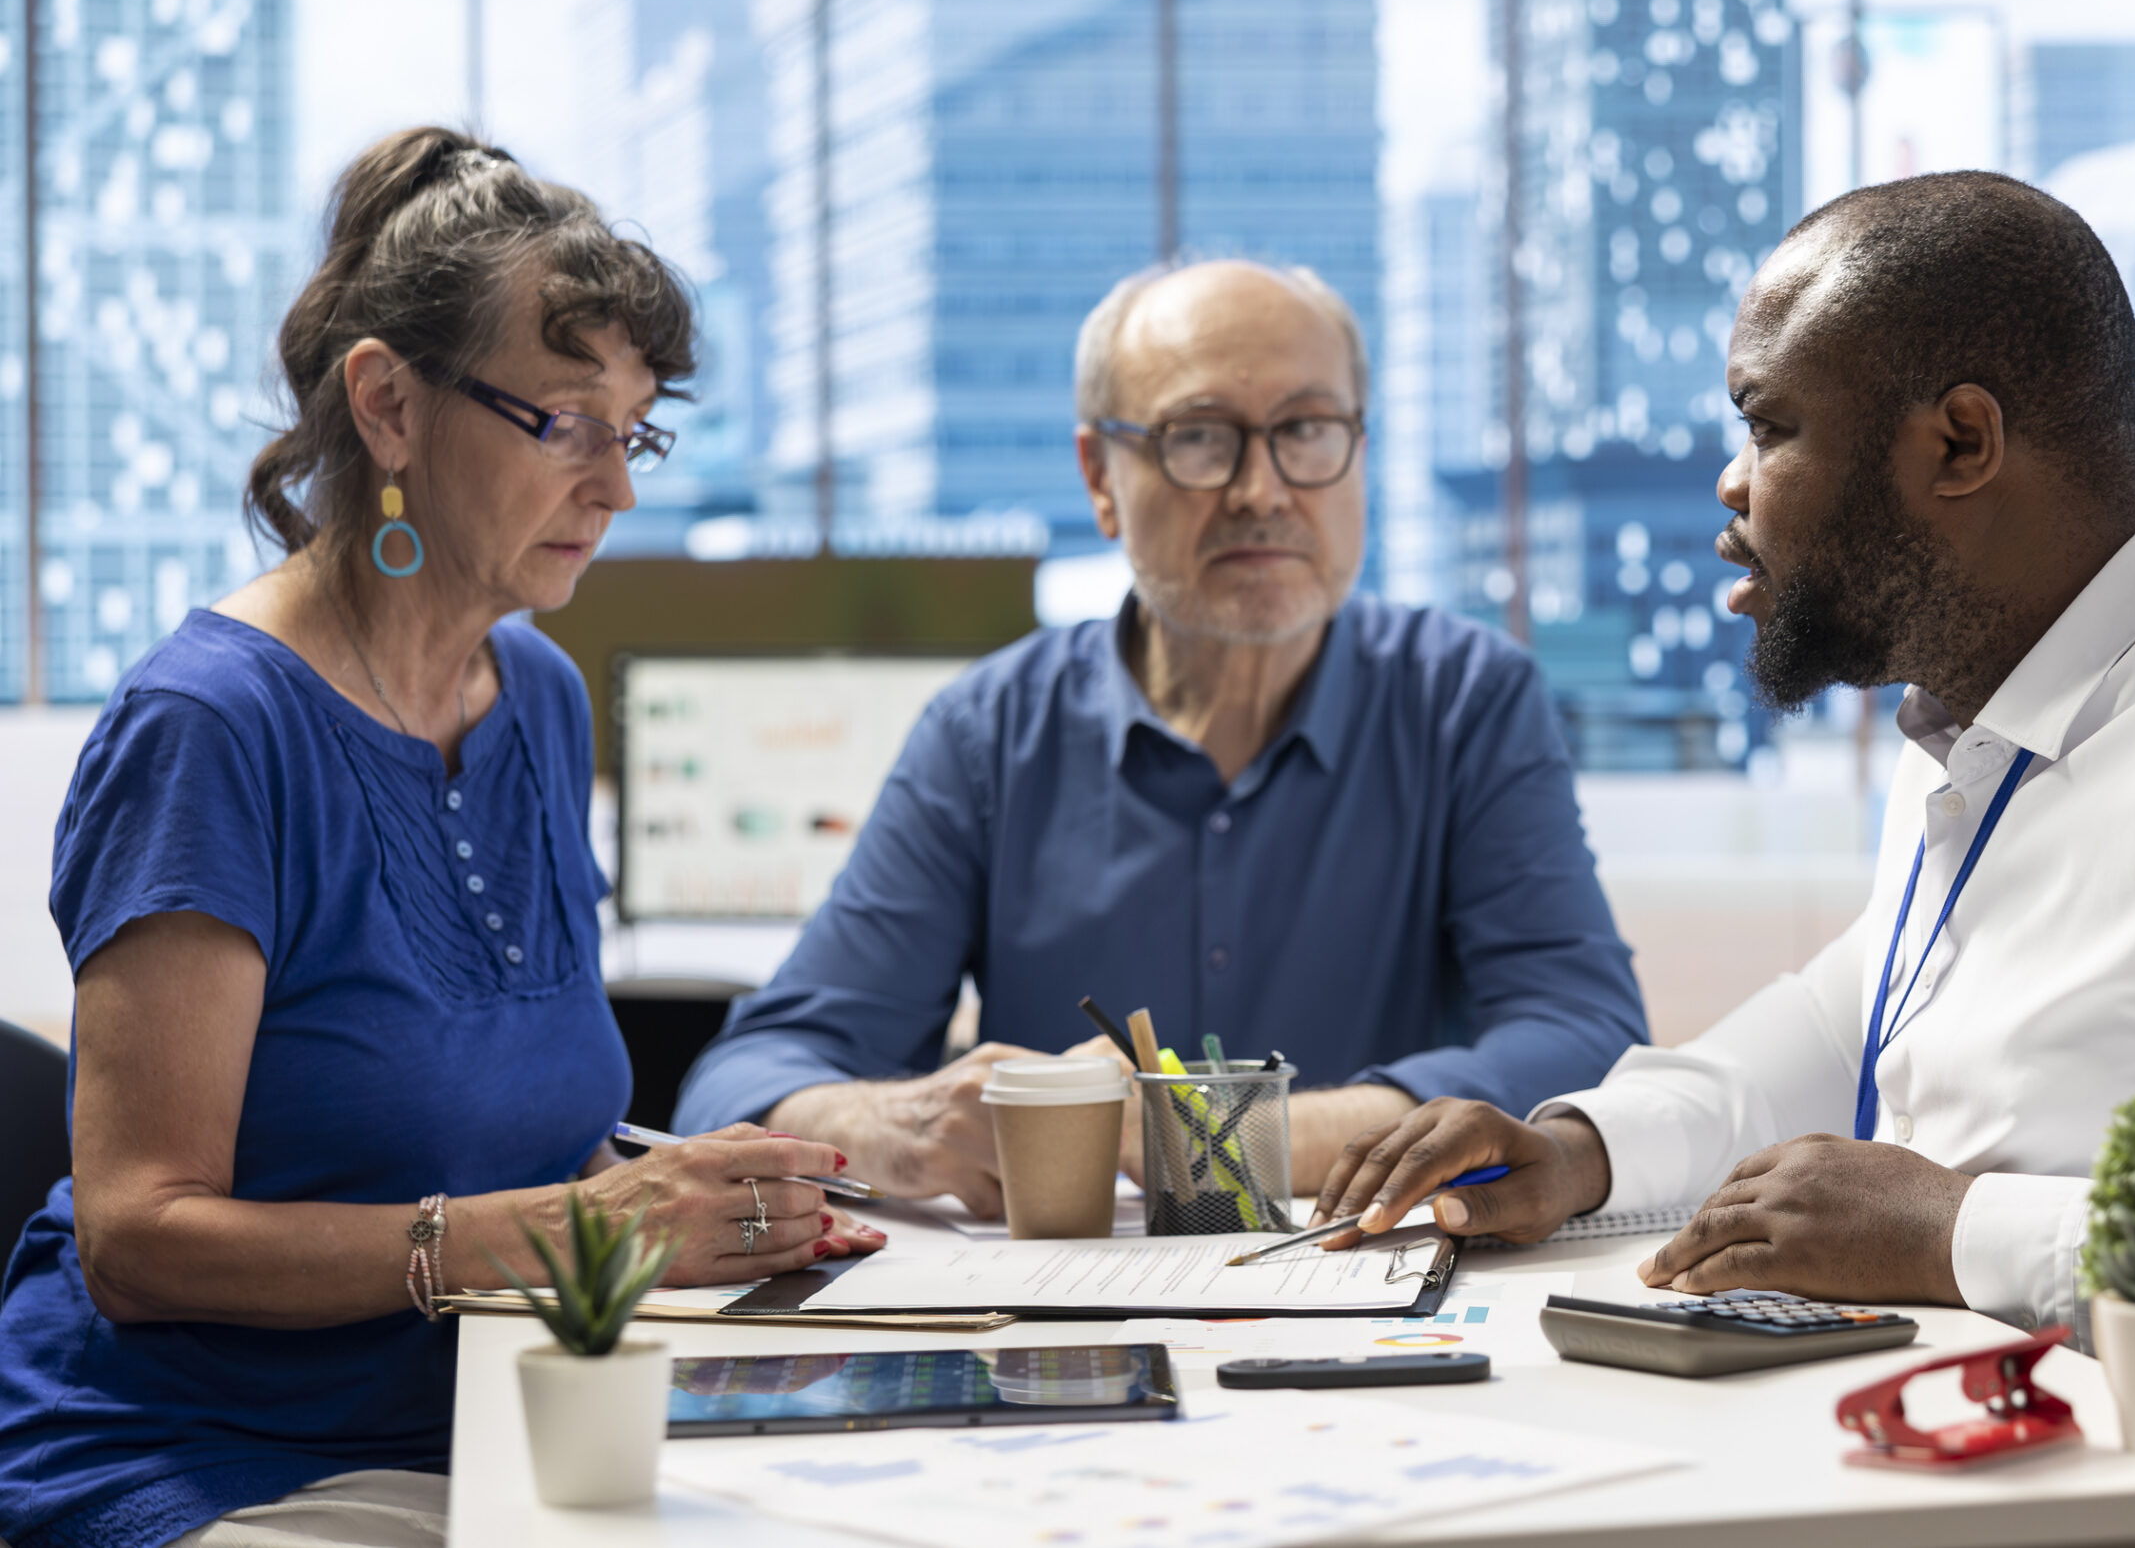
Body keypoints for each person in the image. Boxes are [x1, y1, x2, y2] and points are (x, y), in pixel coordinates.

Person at [1313, 172, 2135, 1548]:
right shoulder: (1995, 718)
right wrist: (1583, 1147)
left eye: (1770, 424)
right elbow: (1860, 1012)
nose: (1728, 485)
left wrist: (1954, 1226)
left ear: (1960, 441)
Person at [0, 128, 881, 1548]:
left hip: (499, 1419)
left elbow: (535, 1134)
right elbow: (140, 1239)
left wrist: (699, 1197)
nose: (619, 486)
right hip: (210, 1456)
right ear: (389, 405)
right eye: (567, 422)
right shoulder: (212, 728)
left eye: (637, 428)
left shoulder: (530, 688)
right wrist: (586, 1232)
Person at [676, 260, 1648, 1213]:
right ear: (1100, 476)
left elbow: (1586, 1035)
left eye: (1306, 431)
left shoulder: (1464, 700)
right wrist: (907, 1125)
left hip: (1364, 1281)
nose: (1261, 490)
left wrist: (1207, 1135)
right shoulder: (988, 733)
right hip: (1059, 1320)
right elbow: (744, 1080)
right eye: (1199, 438)